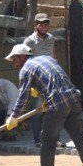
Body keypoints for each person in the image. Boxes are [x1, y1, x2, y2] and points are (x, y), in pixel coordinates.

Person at [4, 44, 83, 166]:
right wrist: (45, 97)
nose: (14, 64)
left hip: (57, 105)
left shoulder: (26, 69)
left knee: (47, 142)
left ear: (22, 56)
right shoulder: (46, 58)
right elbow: (55, 80)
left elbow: (23, 97)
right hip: (73, 100)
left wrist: (14, 116)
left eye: (14, 59)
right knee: (80, 139)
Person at [23, 12, 64, 148]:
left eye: (46, 24)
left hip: (52, 81)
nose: (44, 27)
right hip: (37, 81)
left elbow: (54, 56)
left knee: (54, 111)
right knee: (37, 112)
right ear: (36, 25)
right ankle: (38, 140)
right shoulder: (29, 41)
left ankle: (54, 139)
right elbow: (25, 61)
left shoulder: (51, 39)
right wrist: (30, 84)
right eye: (41, 24)